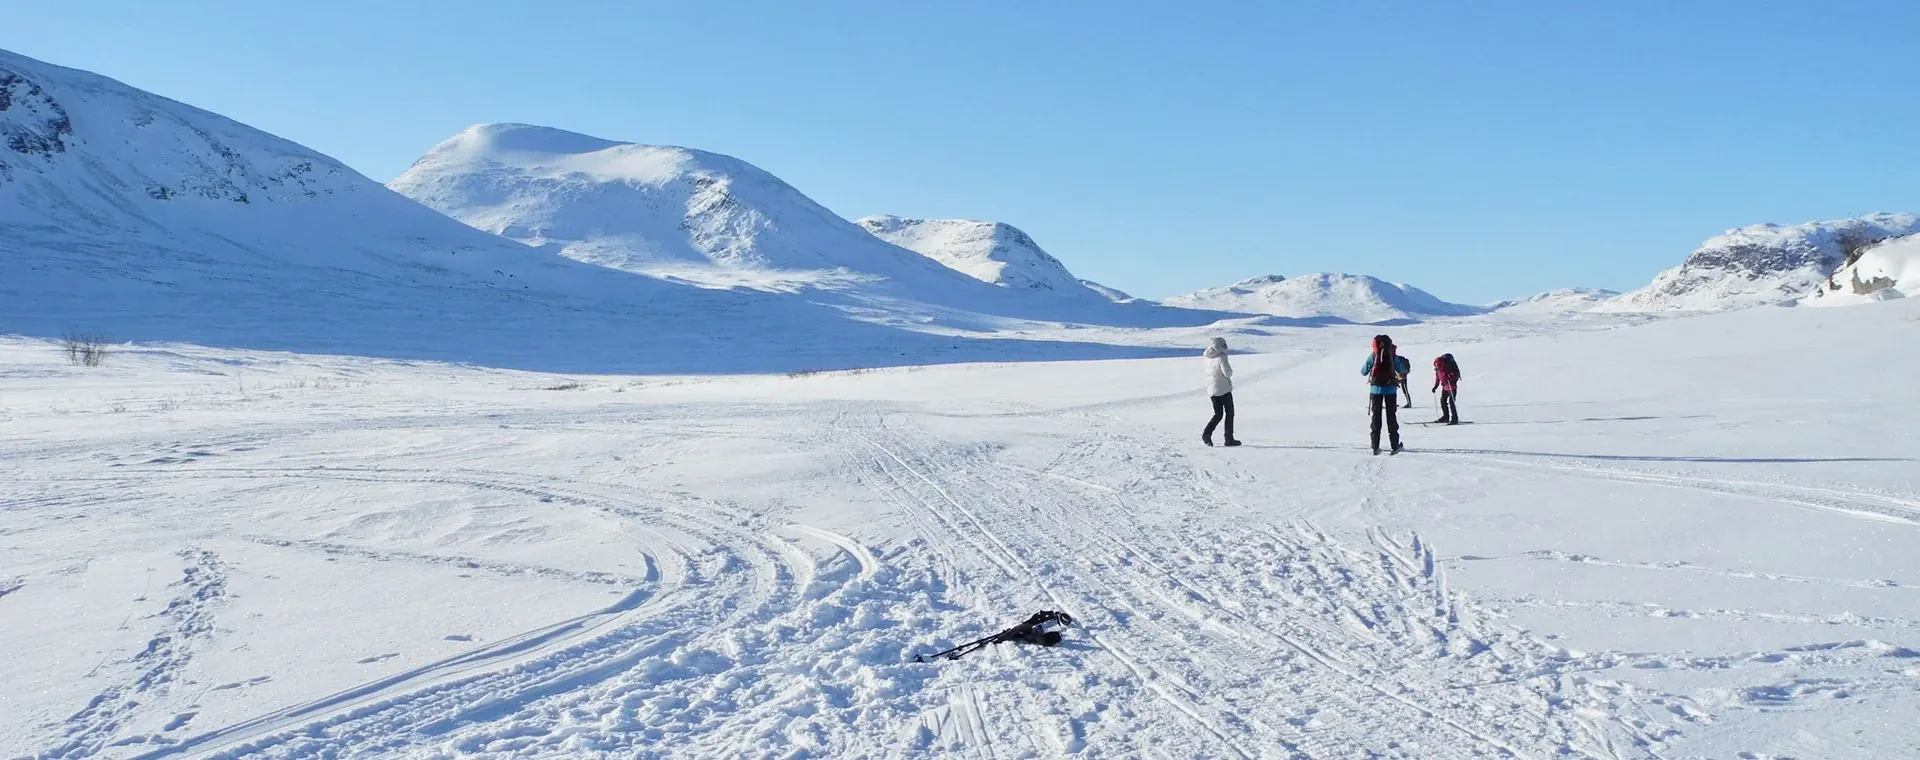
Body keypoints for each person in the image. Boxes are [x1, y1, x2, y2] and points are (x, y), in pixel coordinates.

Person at [1360, 334, 1409, 454]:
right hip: (1390, 390)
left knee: (1376, 417)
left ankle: (1375, 445)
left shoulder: (1373, 355)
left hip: (1375, 390)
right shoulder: (1392, 356)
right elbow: (1402, 370)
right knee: (1391, 417)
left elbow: (1363, 372)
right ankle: (1395, 445)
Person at [1202, 337, 1241, 447]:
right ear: (1219, 346)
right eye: (1224, 345)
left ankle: (1206, 434)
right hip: (1223, 389)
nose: (1226, 348)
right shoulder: (1221, 357)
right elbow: (1227, 373)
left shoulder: (1207, 358)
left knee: (1218, 414)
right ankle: (1229, 439)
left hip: (1212, 390)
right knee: (1230, 413)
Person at [1432, 353, 1462, 425]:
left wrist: (1450, 379)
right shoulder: (1438, 369)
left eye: (1438, 366)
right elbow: (1438, 378)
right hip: (1445, 387)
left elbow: (1454, 375)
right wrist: (1435, 387)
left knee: (1451, 402)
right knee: (1443, 401)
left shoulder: (1448, 367)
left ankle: (1454, 419)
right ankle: (1446, 417)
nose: (1437, 367)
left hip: (1452, 387)